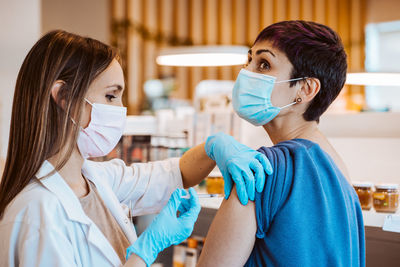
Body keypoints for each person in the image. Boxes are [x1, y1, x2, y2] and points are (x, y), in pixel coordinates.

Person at [0, 30, 273, 267]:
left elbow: (170, 174)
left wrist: (215, 146)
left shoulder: (94, 180)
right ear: (63, 97)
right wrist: (146, 250)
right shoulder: (36, 213)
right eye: (110, 95)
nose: (120, 110)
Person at [197, 20, 365, 266]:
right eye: (249, 60)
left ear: (306, 89)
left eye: (264, 64)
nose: (246, 73)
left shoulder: (262, 170)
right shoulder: (338, 168)